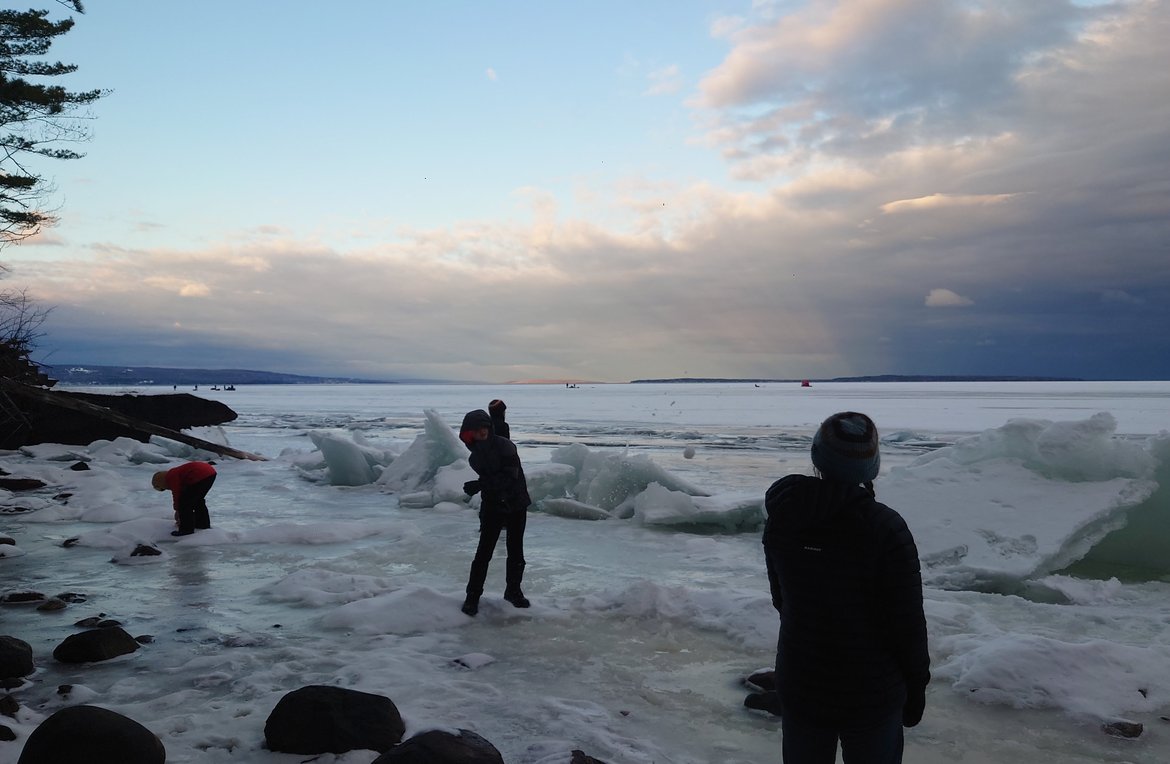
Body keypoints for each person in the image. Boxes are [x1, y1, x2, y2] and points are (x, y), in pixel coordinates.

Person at [763, 412, 929, 763]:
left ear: (817, 458)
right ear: (872, 466)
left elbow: (783, 600)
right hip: (870, 693)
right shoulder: (885, 528)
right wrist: (915, 691)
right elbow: (907, 625)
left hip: (801, 680)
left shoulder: (784, 514)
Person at [459, 408, 531, 616]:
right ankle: (472, 597)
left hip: (516, 503)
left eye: (484, 431)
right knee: (483, 554)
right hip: (492, 506)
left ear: (489, 429)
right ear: (469, 434)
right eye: (476, 432)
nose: (481, 435)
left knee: (516, 551)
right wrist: (483, 488)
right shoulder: (474, 458)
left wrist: (479, 484)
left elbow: (509, 477)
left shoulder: (506, 446)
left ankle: (513, 592)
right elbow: (492, 481)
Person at [152, 461, 217, 537]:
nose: (165, 489)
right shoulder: (174, 473)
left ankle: (186, 529)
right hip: (210, 472)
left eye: (162, 488)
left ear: (161, 482)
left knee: (184, 503)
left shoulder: (171, 476)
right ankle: (202, 524)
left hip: (200, 474)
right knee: (198, 501)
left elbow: (177, 494)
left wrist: (177, 510)